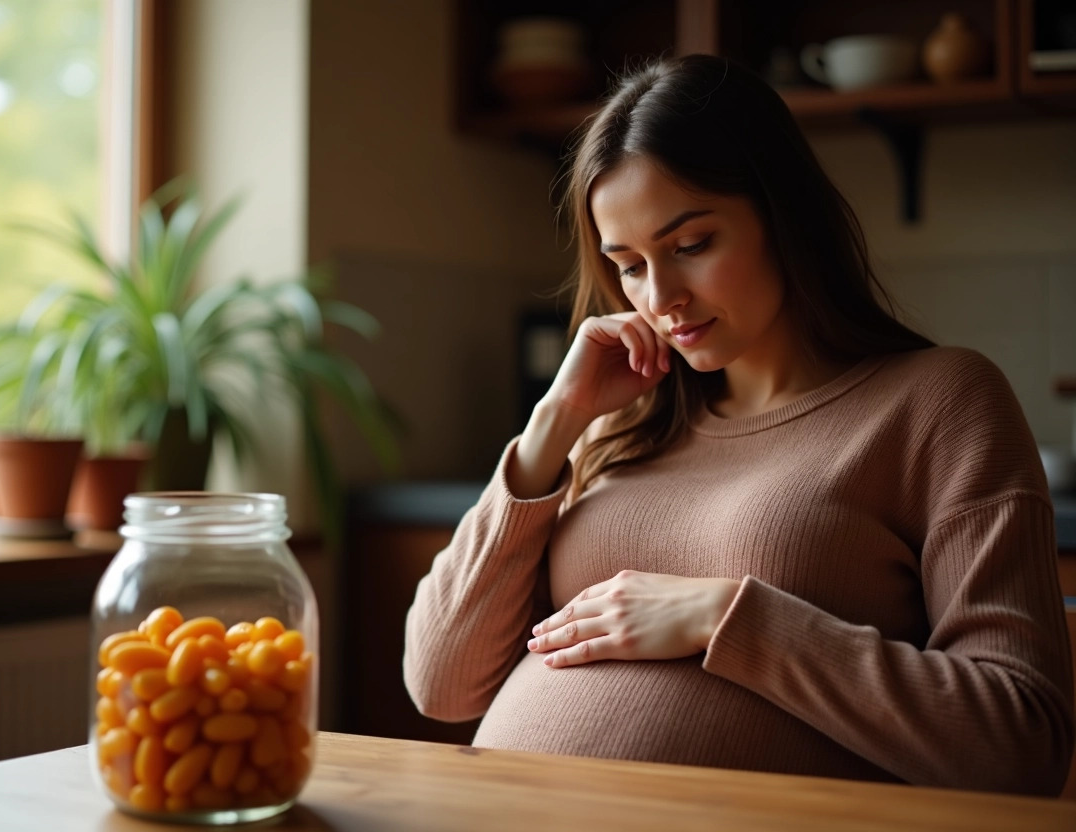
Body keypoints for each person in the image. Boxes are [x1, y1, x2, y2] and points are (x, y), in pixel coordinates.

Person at [402, 55, 1074, 796]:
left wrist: (723, 615)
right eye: (628, 265)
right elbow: (442, 683)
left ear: (783, 216)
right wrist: (551, 426)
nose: (662, 297)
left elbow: (1022, 742)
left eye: (691, 246)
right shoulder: (615, 428)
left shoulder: (938, 403)